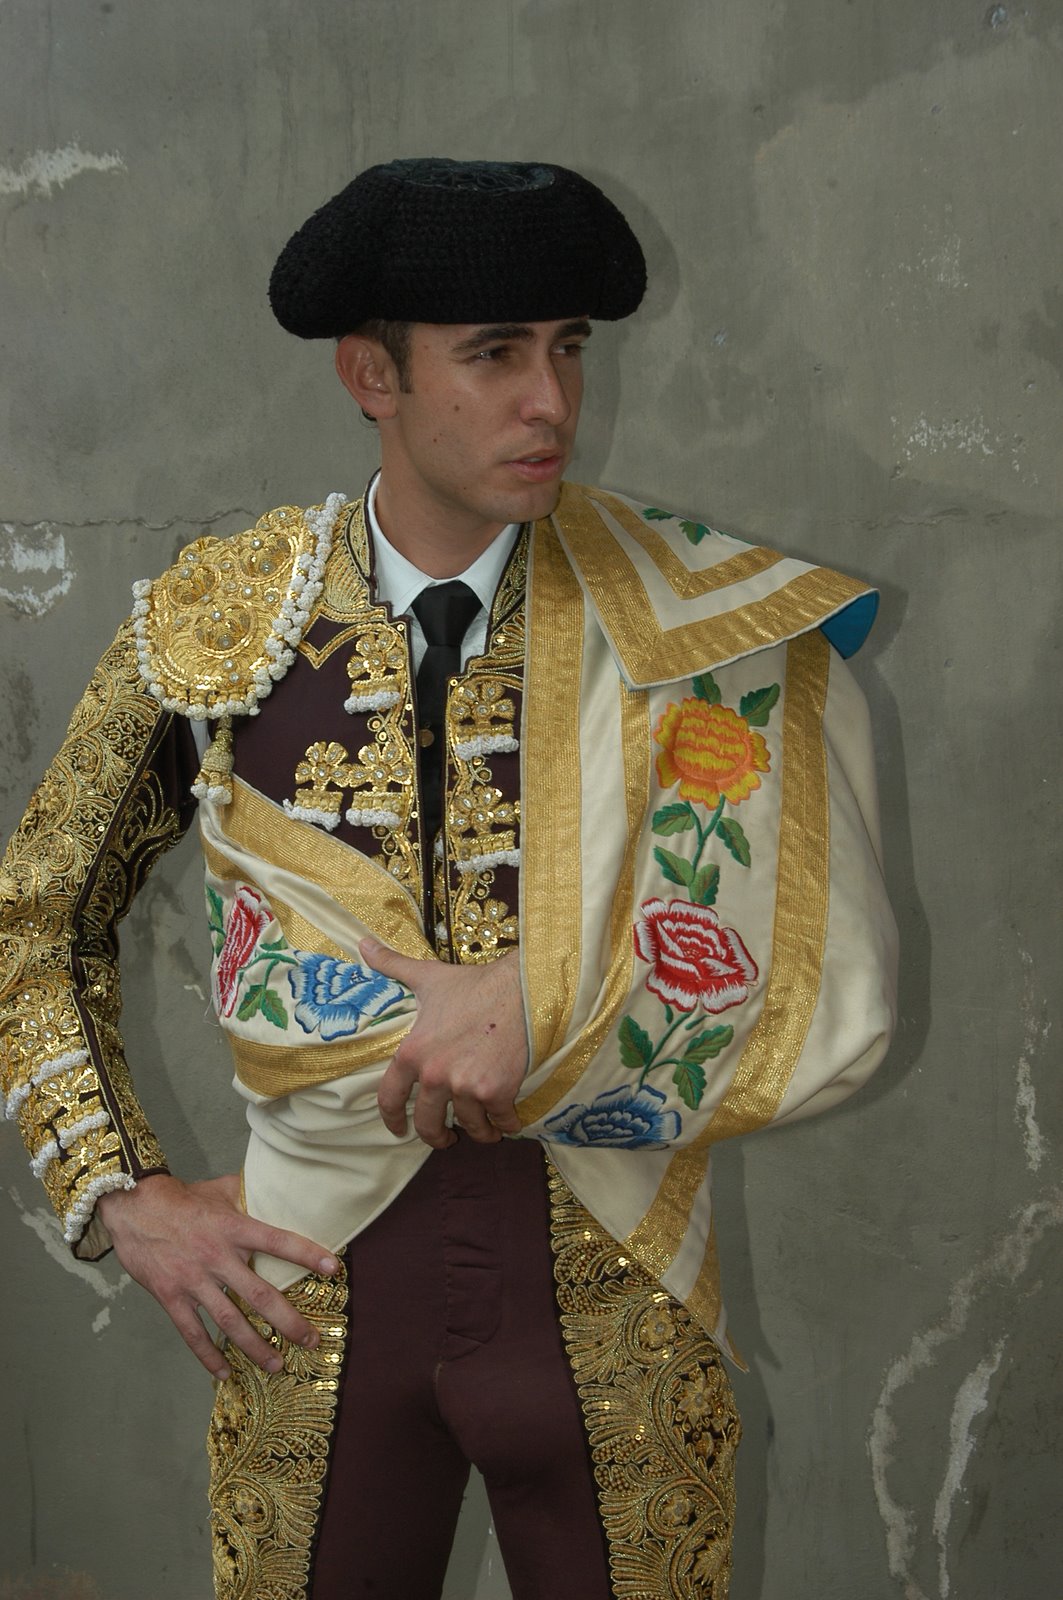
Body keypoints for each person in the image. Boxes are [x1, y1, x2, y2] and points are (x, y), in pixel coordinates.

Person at [0, 158, 897, 1600]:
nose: (552, 401)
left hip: (617, 1293)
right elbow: (37, 919)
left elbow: (808, 941)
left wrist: (543, 998)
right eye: (494, 355)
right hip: (310, 1299)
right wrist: (119, 1194)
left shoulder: (697, 617)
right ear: (374, 375)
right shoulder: (220, 617)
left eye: (568, 349)